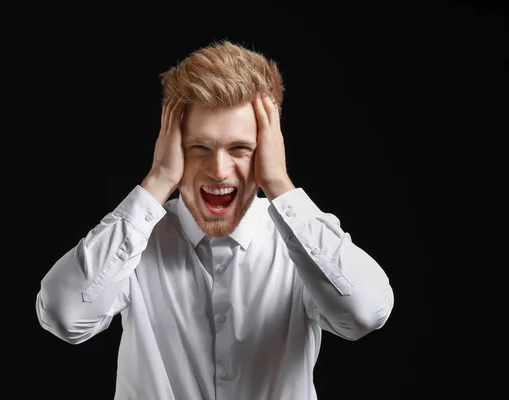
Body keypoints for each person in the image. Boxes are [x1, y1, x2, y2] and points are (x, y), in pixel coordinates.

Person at [35, 39, 394, 399]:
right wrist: (158, 180)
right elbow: (63, 316)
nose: (219, 171)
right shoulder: (134, 242)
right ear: (172, 147)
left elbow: (364, 314)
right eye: (199, 148)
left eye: (241, 149)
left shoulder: (307, 242)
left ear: (269, 150)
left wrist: (280, 185)